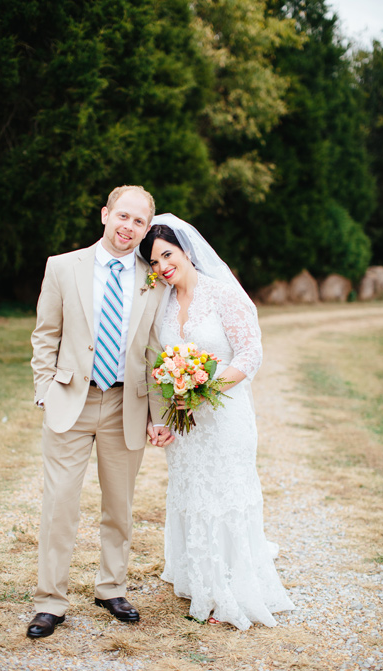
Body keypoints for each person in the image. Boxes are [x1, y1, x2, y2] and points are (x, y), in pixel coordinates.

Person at [28, 185, 174, 639]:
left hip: (124, 405)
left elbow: (153, 350)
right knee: (60, 505)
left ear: (146, 229)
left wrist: (160, 413)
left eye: (139, 222)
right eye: (123, 216)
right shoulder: (63, 267)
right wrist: (45, 390)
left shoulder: (153, 277)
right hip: (71, 400)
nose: (129, 227)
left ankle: (111, 587)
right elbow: (45, 335)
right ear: (106, 215)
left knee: (120, 506)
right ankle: (51, 600)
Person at [138, 214, 294, 629]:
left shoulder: (224, 294)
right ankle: (200, 580)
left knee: (225, 493)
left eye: (167, 255)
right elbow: (161, 363)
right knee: (192, 492)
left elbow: (249, 354)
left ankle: (230, 590)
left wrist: (201, 390)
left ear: (186, 251)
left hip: (225, 417)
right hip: (187, 426)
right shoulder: (163, 305)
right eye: (154, 263)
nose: (162, 267)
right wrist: (174, 401)